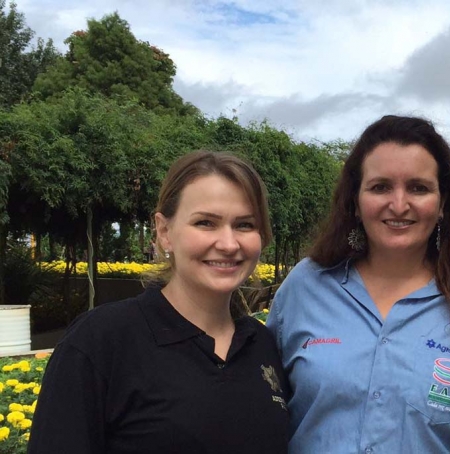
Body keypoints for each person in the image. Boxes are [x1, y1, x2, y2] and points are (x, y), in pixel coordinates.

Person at [267, 115, 450, 453]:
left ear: (443, 203)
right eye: (380, 187)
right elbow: (263, 412)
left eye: (418, 188)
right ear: (355, 201)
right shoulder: (305, 287)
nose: (399, 205)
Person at [28, 151, 289, 453]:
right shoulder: (101, 342)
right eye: (206, 222)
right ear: (164, 232)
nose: (229, 244)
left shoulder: (262, 344)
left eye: (244, 225)